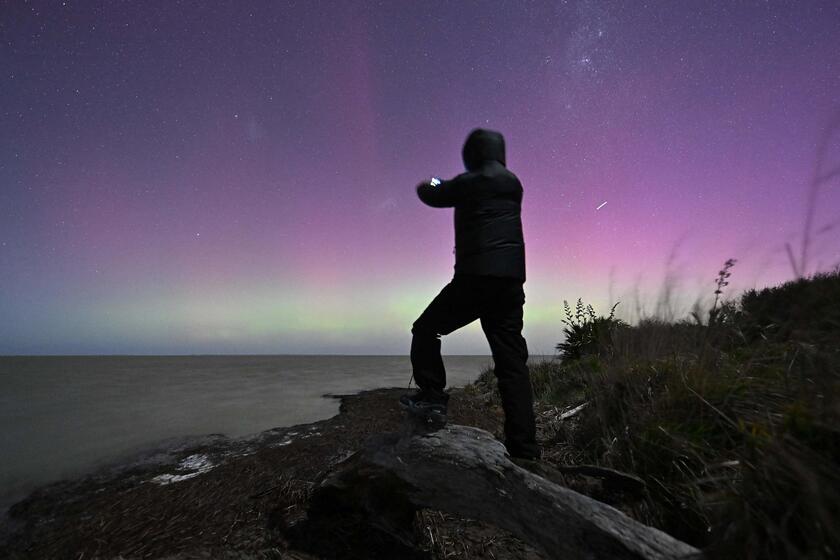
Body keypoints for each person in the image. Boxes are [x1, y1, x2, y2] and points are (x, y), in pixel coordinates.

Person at [400, 128, 540, 461]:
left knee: (426, 329)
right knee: (512, 367)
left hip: (475, 278)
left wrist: (433, 179)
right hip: (510, 283)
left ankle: (432, 397)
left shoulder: (467, 182)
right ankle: (525, 450)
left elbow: (430, 192)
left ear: (472, 153)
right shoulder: (513, 183)